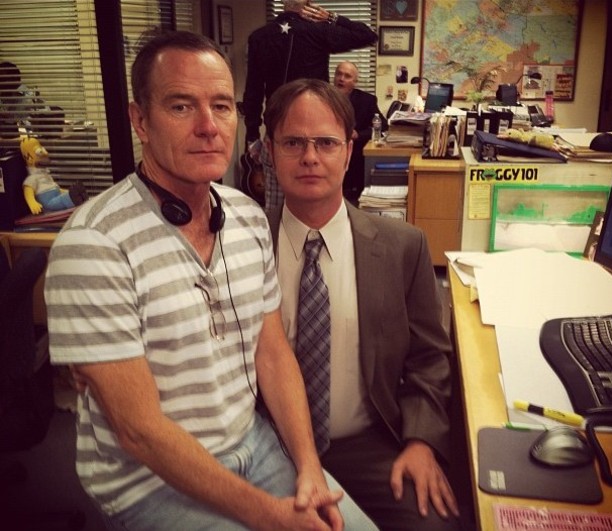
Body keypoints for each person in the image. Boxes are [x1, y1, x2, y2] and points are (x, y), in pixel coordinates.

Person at [44, 31, 377, 531]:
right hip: (148, 481)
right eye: (181, 106)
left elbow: (272, 353)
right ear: (140, 121)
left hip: (255, 446)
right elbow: (139, 432)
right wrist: (270, 517)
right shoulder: (93, 244)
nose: (208, 127)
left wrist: (308, 466)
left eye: (221, 106)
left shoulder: (246, 217)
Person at [263, 78, 462, 531]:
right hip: (270, 444)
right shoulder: (240, 245)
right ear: (270, 151)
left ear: (349, 151)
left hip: (369, 443)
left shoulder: (402, 246)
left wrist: (421, 441)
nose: (310, 157)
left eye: (326, 143)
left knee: (437, 524)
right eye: (293, 142)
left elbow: (430, 358)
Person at [242, 0, 377, 215]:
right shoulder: (318, 32)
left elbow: (253, 91)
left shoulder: (259, 37)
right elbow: (367, 34)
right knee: (318, 200)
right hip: (316, 130)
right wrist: (331, 17)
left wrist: (252, 136)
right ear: (309, 5)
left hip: (278, 132)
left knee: (275, 209)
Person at [333, 61, 388, 203]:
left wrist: (358, 134)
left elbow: (383, 126)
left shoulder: (366, 100)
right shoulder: (323, 98)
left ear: (355, 82)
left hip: (355, 157)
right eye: (339, 74)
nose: (341, 79)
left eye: (347, 76)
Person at [20, 136, 88, 214]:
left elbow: (54, 187)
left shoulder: (45, 174)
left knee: (63, 198)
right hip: (48, 202)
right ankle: (74, 198)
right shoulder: (32, 178)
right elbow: (28, 190)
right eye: (39, 151)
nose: (46, 153)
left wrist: (66, 191)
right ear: (29, 158)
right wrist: (32, 203)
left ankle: (78, 195)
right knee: (62, 200)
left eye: (43, 149)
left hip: (56, 195)